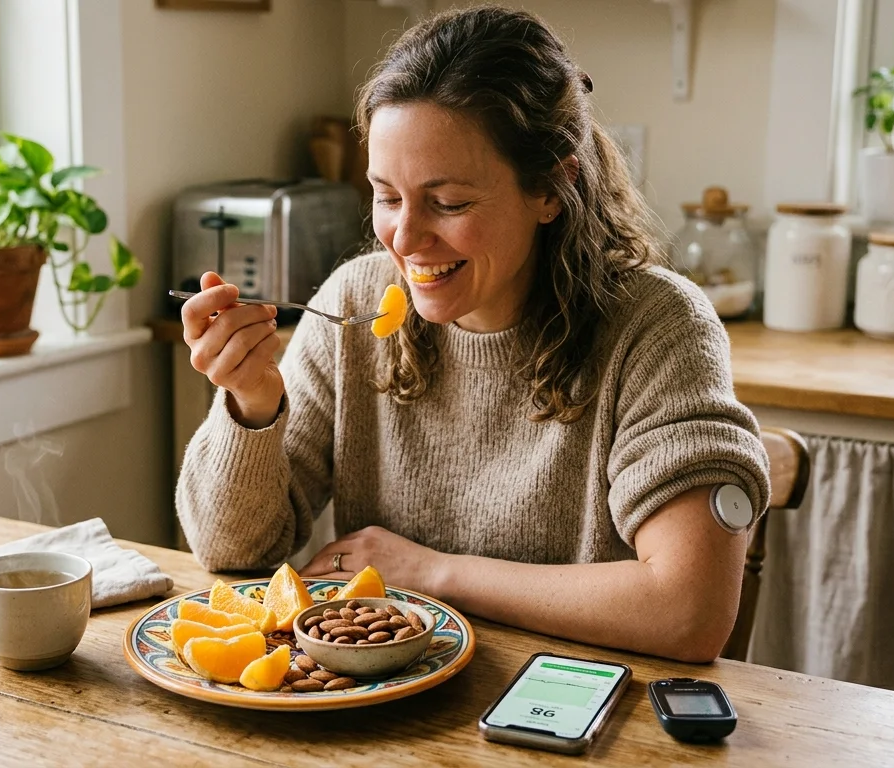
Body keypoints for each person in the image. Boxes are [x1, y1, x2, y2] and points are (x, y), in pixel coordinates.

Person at [174, 5, 770, 663]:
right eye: (386, 195)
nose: (404, 237)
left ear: (551, 186)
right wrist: (252, 407)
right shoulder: (357, 301)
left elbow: (689, 612)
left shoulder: (658, 329)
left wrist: (432, 572)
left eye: (449, 202)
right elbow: (232, 554)